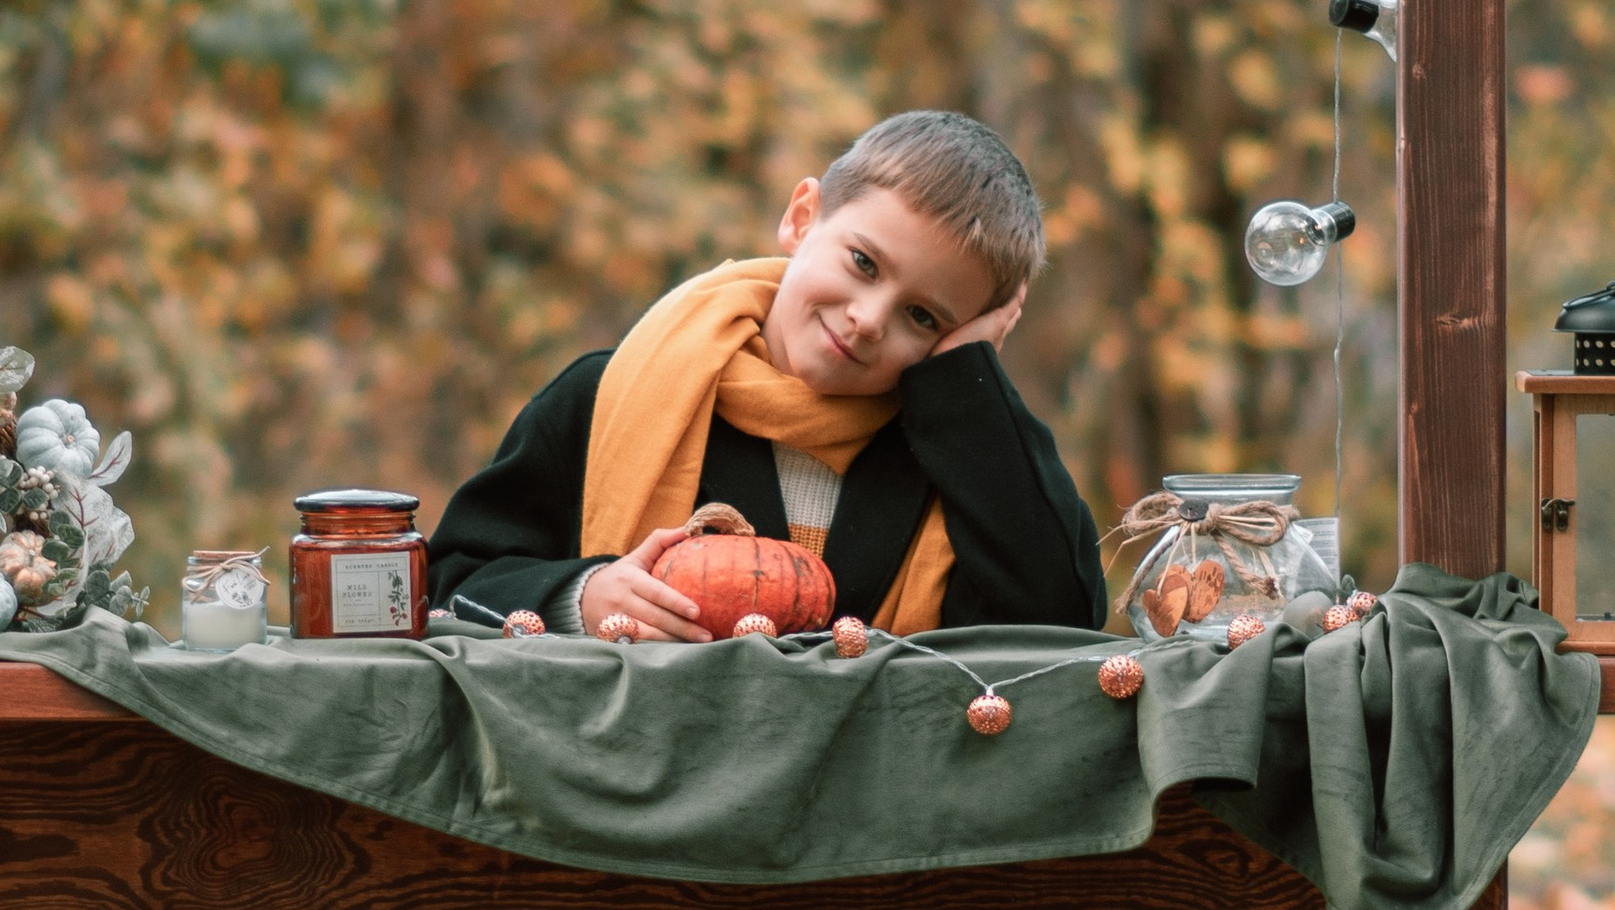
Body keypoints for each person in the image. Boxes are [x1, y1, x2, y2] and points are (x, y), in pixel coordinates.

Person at [427, 107, 1106, 639]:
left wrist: (967, 379)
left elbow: (1059, 620)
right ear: (802, 218)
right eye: (864, 263)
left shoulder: (955, 461)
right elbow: (454, 582)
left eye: (923, 318)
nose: (870, 319)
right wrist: (581, 598)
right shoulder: (610, 395)